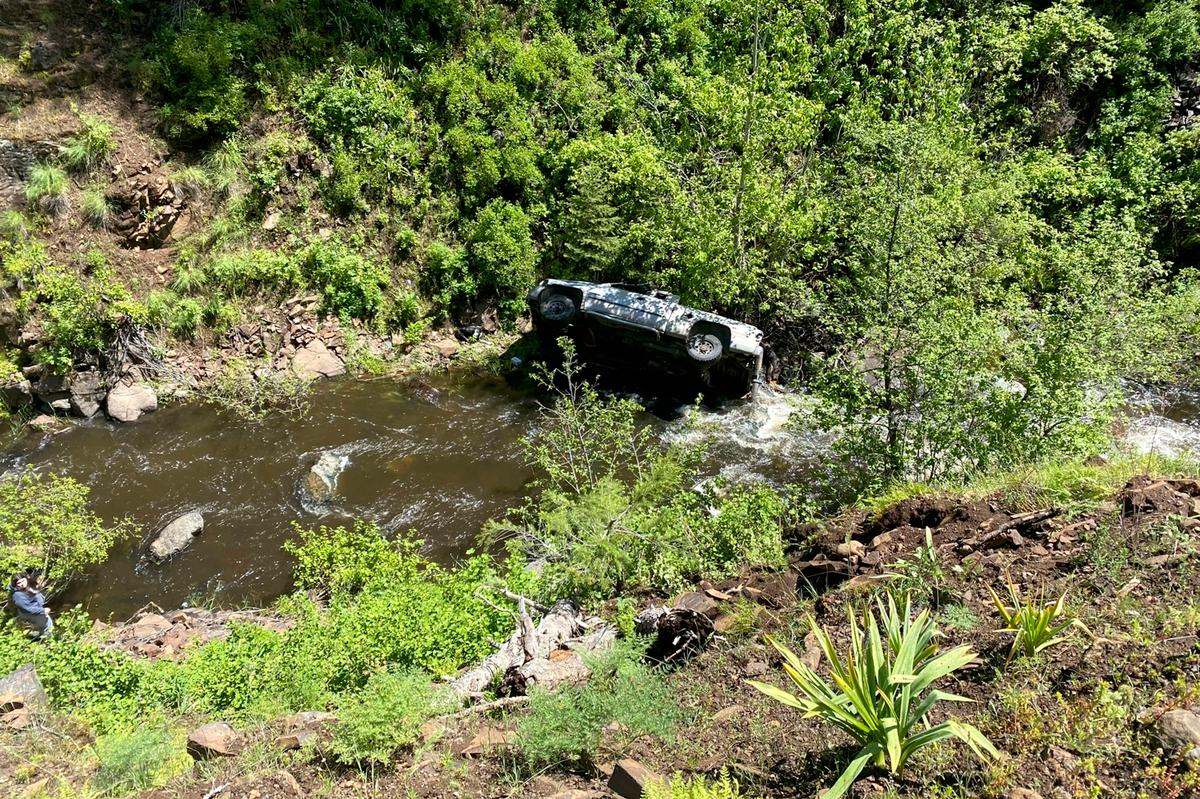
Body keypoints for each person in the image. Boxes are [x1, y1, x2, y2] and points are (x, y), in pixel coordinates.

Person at [8, 573, 52, 639]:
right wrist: (43, 610)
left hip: (40, 614)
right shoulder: (17, 595)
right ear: (15, 585)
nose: (22, 584)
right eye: (19, 583)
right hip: (33, 618)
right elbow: (28, 609)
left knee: (49, 629)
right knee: (44, 634)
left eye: (23, 580)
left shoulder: (28, 588)